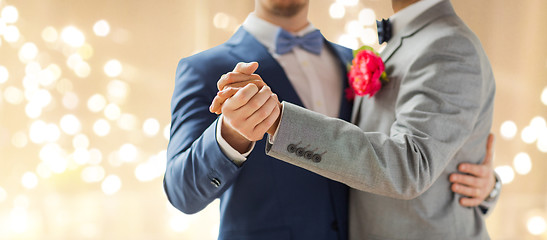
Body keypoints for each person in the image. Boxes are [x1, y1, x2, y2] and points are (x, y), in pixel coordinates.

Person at [165, 0, 499, 239]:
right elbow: (182, 193)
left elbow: (400, 154)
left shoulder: (351, 61)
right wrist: (229, 135)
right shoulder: (206, 69)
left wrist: (482, 183)